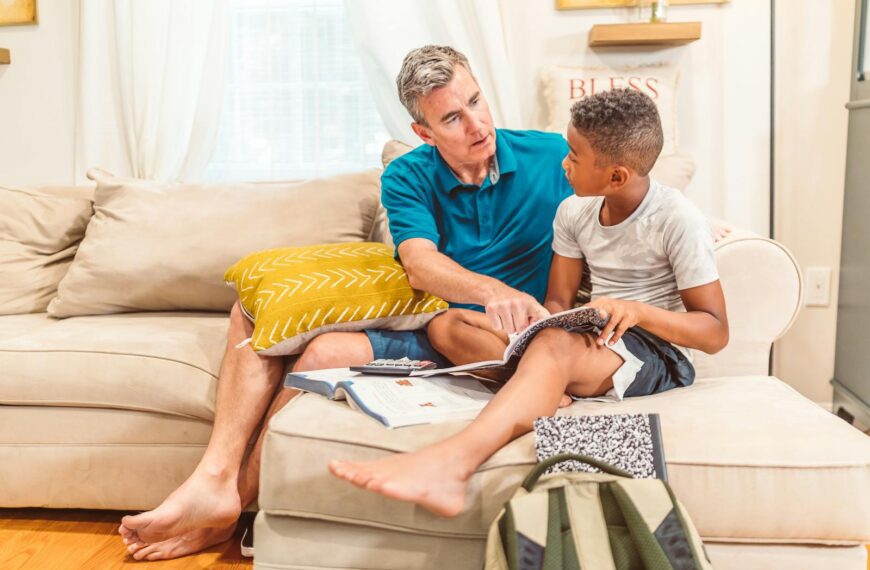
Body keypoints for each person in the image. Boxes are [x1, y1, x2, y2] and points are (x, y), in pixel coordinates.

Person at [118, 44, 574, 560]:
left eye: (475, 100)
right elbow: (419, 264)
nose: (476, 124)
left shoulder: (553, 156)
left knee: (316, 354)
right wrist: (493, 290)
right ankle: (216, 481)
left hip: (488, 341)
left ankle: (227, 504)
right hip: (428, 325)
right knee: (271, 324)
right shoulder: (408, 175)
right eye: (452, 117)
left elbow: (611, 225)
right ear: (423, 132)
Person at [328, 88, 730, 517]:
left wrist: (637, 312)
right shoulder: (573, 212)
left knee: (554, 346)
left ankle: (452, 464)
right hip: (592, 338)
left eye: (574, 156)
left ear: (615, 176)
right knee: (448, 325)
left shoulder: (677, 220)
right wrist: (541, 322)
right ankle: (547, 385)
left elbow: (715, 332)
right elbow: (558, 300)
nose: (563, 162)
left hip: (652, 349)